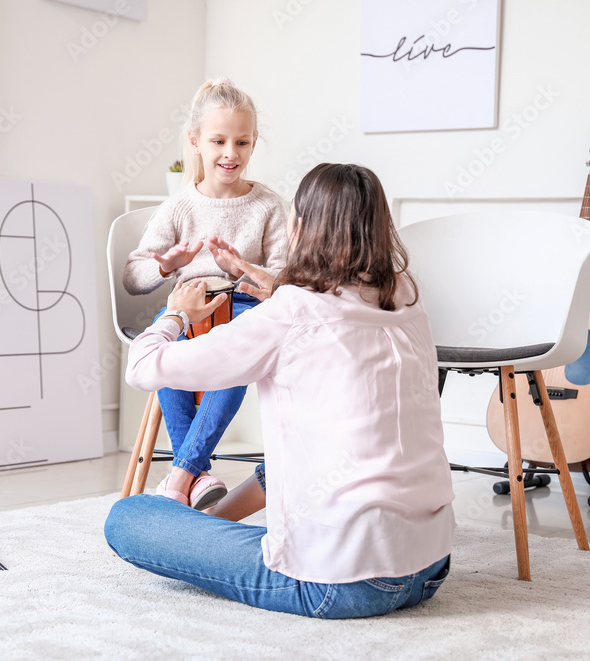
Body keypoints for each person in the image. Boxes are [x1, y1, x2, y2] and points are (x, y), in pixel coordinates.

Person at [106, 163, 455, 619]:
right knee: (316, 445)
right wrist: (270, 284)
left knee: (129, 518)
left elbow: (145, 366)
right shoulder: (406, 295)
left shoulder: (291, 313)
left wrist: (177, 315)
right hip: (429, 566)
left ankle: (199, 526)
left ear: (303, 227)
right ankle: (208, 524)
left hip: (341, 583)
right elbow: (325, 309)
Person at [122, 77, 288, 510]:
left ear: (254, 144)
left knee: (234, 354)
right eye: (218, 141)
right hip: (189, 303)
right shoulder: (179, 206)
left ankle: (181, 476)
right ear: (196, 141)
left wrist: (246, 270)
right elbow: (133, 278)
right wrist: (167, 265)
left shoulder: (268, 205)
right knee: (167, 351)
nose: (230, 153)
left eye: (242, 142)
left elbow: (287, 279)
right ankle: (195, 475)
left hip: (246, 305)